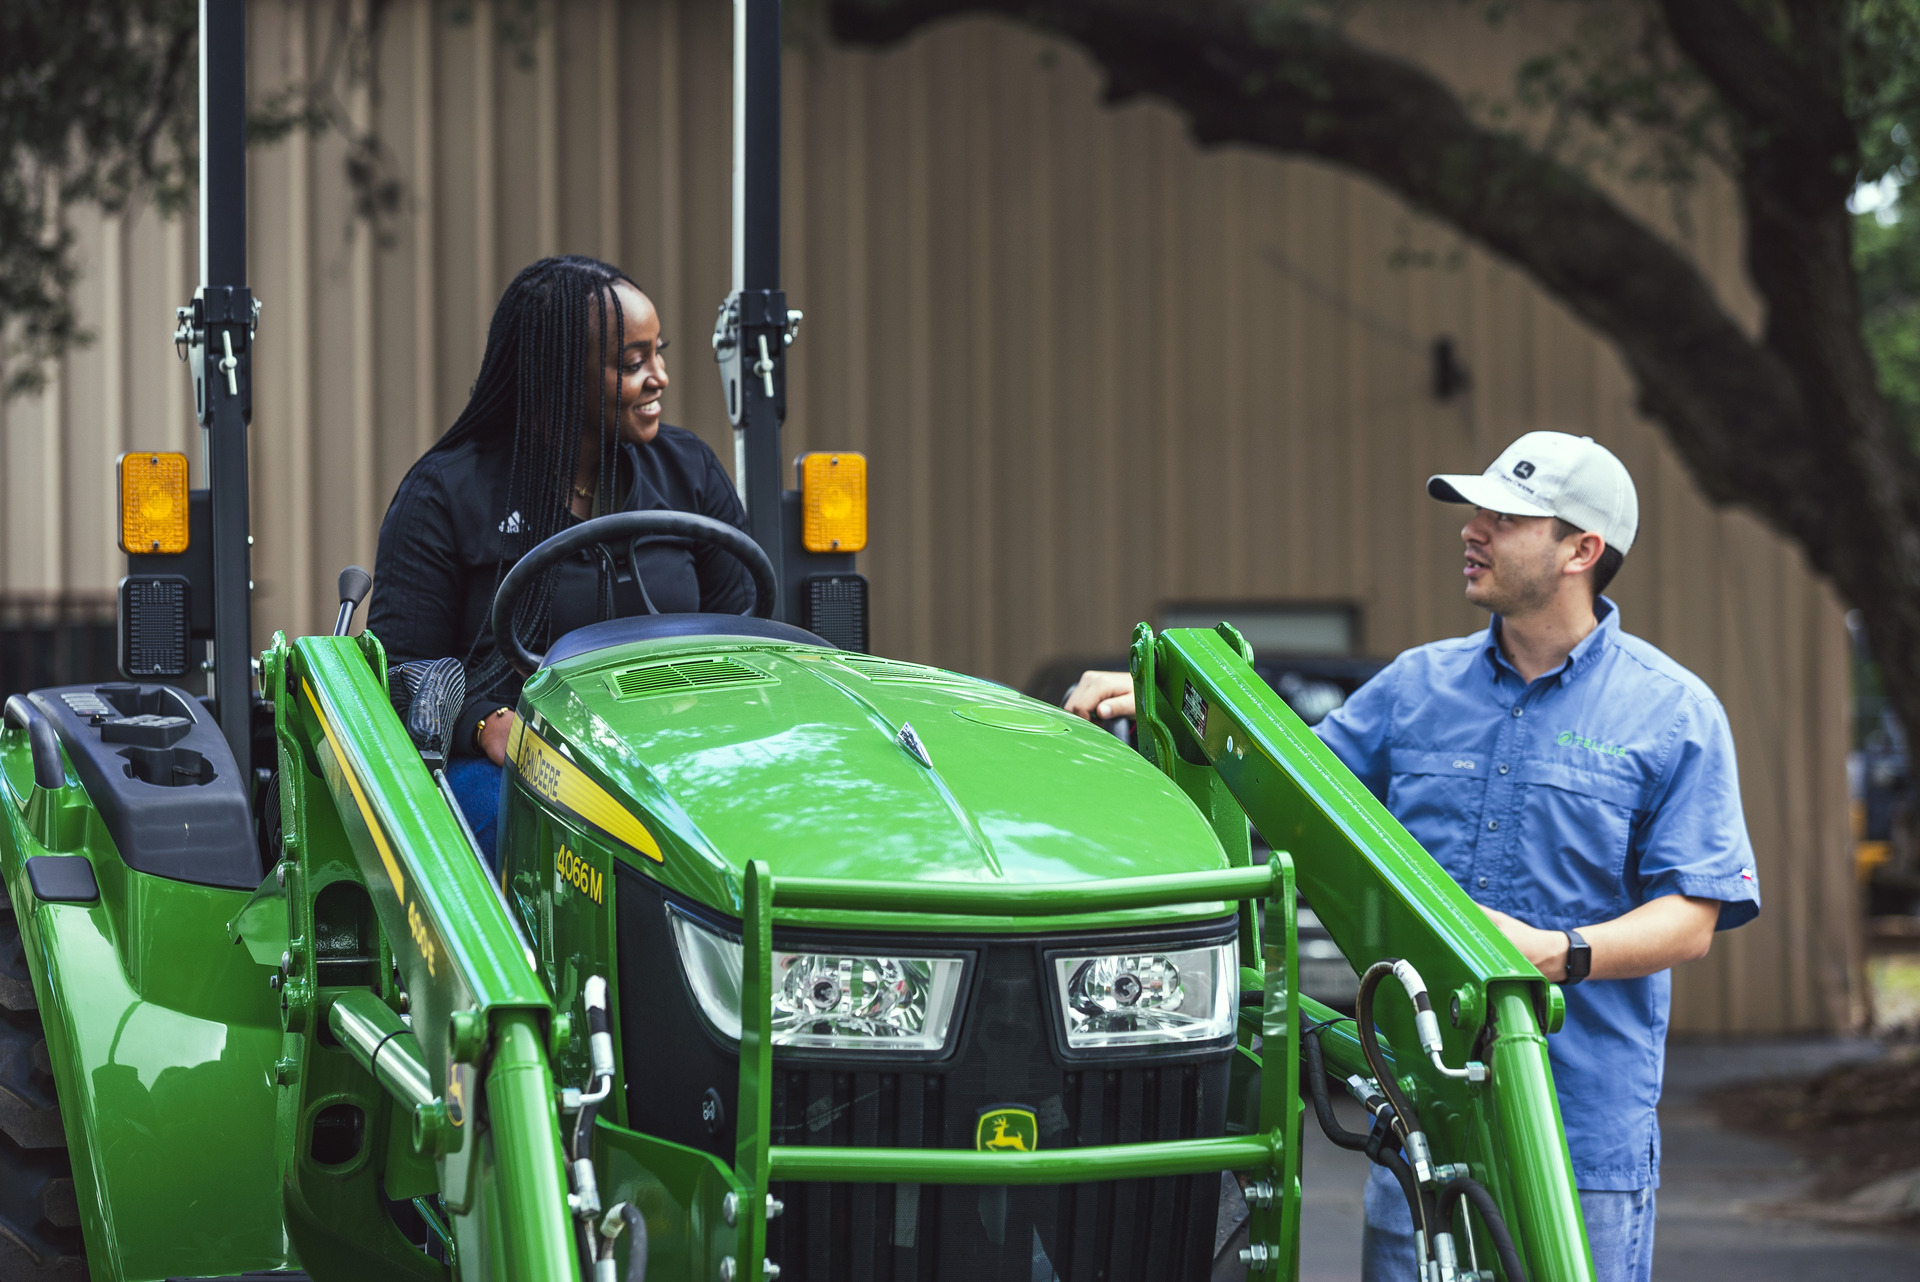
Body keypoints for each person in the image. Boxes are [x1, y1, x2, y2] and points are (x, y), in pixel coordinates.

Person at [1066, 431, 1760, 1282]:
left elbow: (1692, 918)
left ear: (1582, 549)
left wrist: (1559, 952)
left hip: (1583, 1136)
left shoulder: (1674, 713)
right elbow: (1281, 785)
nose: (1473, 530)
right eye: (1475, 511)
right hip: (1423, 1123)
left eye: (1505, 517)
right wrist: (1162, 701)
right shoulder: (1411, 689)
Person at [369, 255, 753, 859]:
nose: (659, 378)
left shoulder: (690, 470)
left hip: (675, 751)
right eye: (632, 364)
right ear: (562, 378)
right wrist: (480, 721)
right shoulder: (444, 493)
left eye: (660, 353)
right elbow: (401, 668)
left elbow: (747, 631)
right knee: (528, 840)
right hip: (522, 763)